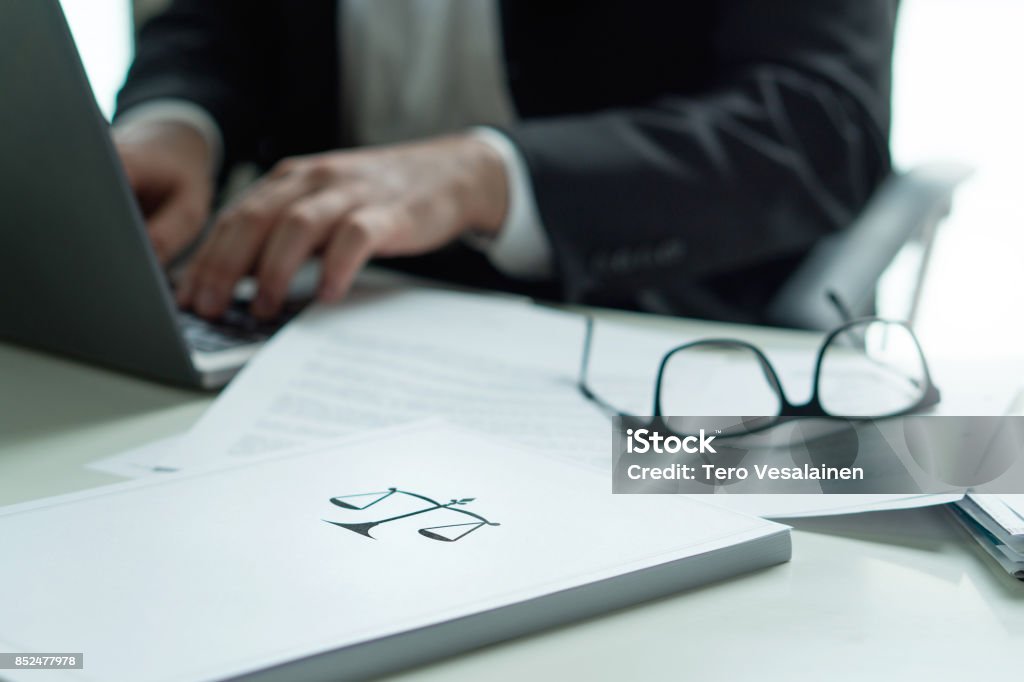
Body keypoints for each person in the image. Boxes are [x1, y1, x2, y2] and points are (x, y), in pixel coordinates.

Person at [114, 0, 897, 324]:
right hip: (306, 304)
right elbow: (214, 22)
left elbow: (818, 126)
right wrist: (179, 121)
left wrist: (485, 177)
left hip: (626, 319)